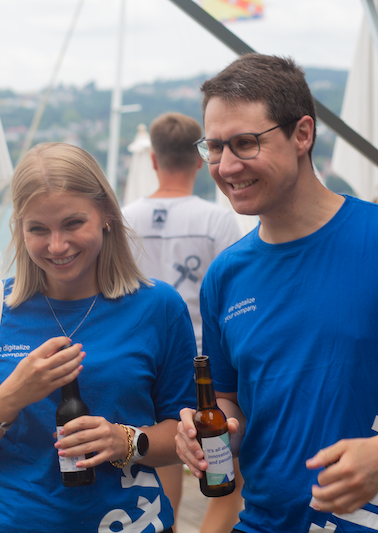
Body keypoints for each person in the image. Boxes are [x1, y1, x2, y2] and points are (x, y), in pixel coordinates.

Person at [175, 53, 378, 533]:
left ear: (302, 134)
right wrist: (203, 433)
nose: (225, 166)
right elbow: (230, 405)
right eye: (214, 147)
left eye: (245, 143)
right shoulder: (225, 275)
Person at [0, 142, 197, 533]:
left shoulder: (158, 307)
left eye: (73, 224)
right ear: (19, 229)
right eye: (38, 229)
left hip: (129, 522)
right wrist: (11, 396)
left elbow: (182, 430)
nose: (57, 245)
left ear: (106, 214)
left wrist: (123, 440)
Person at [122, 111, 245, 532]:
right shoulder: (216, 219)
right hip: (204, 367)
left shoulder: (123, 218)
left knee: (160, 472)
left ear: (153, 160)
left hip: (142, 361)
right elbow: (234, 294)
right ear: (199, 160)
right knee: (228, 480)